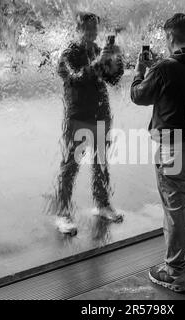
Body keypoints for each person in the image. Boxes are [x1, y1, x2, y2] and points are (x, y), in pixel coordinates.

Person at [131, 13, 185, 293]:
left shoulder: (164, 68)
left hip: (173, 147)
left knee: (175, 209)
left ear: (169, 36)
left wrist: (140, 70)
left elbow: (139, 96)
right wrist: (158, 66)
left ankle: (174, 272)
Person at [52, 12, 125, 236]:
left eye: (95, 29)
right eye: (87, 28)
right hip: (78, 117)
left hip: (101, 114)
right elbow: (74, 78)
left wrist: (116, 60)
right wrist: (98, 62)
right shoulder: (68, 53)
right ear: (78, 29)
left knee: (101, 163)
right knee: (71, 166)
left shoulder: (96, 50)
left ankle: (102, 204)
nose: (92, 33)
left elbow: (113, 80)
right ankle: (62, 213)